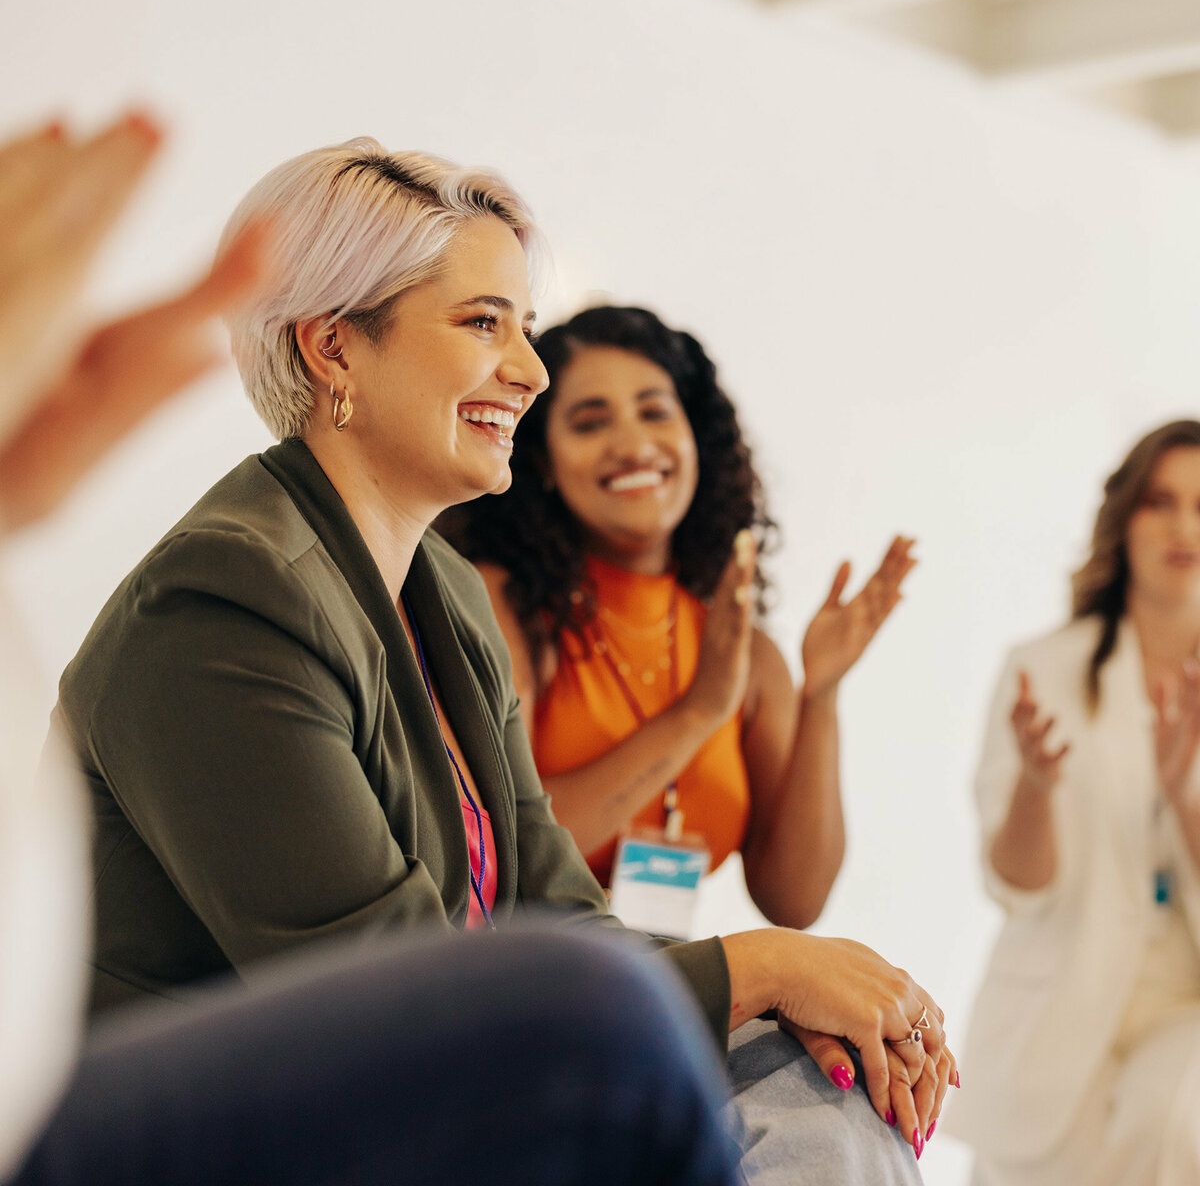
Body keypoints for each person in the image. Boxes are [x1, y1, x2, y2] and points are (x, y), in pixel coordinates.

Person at [49, 137, 953, 1175]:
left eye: (522, 327)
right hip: (252, 1141)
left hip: (424, 1105)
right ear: (333, 349)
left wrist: (803, 989)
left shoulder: (447, 598)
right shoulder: (222, 601)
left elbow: (558, 917)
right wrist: (765, 963)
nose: (529, 369)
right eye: (485, 324)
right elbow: (389, 995)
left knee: (812, 1080)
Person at [437, 304, 916, 933]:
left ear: (697, 442)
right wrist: (697, 714)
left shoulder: (744, 654)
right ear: (544, 462)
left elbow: (794, 900)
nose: (633, 444)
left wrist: (821, 696)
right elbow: (505, 850)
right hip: (522, 978)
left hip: (658, 984)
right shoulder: (500, 604)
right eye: (590, 422)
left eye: (655, 412)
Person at [950, 420, 1200, 1185]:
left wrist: (1182, 790)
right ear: (1125, 521)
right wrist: (1035, 783)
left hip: (1183, 1008)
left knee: (1176, 1120)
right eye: (1161, 502)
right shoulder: (1042, 672)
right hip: (1058, 1005)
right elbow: (1018, 888)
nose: (1185, 526)